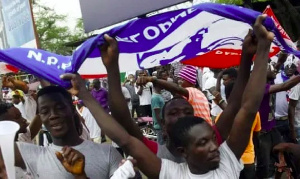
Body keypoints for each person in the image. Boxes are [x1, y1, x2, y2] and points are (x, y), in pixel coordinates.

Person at [60, 15, 274, 178]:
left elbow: (245, 107)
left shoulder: (225, 158)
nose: (212, 146)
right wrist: (91, 91)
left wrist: (256, 52)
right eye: (203, 142)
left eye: (211, 140)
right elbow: (123, 134)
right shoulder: (170, 170)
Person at [91, 23, 257, 165]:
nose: (182, 116)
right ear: (162, 124)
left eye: (187, 112)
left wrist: (247, 56)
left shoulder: (213, 143)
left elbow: (234, 105)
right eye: (173, 112)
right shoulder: (157, 155)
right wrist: (112, 67)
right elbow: (124, 120)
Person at [0, 86, 122, 179]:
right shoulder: (32, 155)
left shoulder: (108, 153)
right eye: (45, 111)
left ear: (72, 109)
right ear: (40, 116)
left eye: (60, 108)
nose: (53, 115)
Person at [255, 61, 300, 178]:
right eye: (270, 67)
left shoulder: (269, 81)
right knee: (264, 166)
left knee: (284, 156)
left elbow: (279, 63)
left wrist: (284, 51)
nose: (275, 69)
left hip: (272, 130)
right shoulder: (259, 86)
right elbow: (285, 86)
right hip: (262, 134)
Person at [215, 82, 261, 179]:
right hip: (248, 160)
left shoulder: (220, 118)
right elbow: (256, 137)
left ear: (227, 98)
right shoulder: (254, 114)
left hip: (229, 162)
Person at [274, 55, 299, 142]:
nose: (290, 69)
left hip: (289, 120)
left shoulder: (296, 81)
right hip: (276, 119)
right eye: (288, 66)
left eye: (292, 66)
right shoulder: (276, 78)